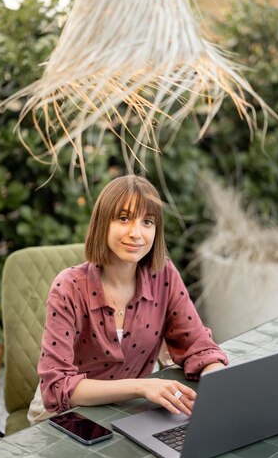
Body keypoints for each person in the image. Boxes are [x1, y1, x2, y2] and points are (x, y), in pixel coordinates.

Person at [38, 175, 228, 418]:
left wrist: (216, 378)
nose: (136, 233)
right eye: (124, 218)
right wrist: (141, 386)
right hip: (71, 414)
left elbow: (198, 345)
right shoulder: (68, 287)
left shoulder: (164, 275)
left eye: (147, 222)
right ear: (102, 223)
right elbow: (56, 389)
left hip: (132, 409)